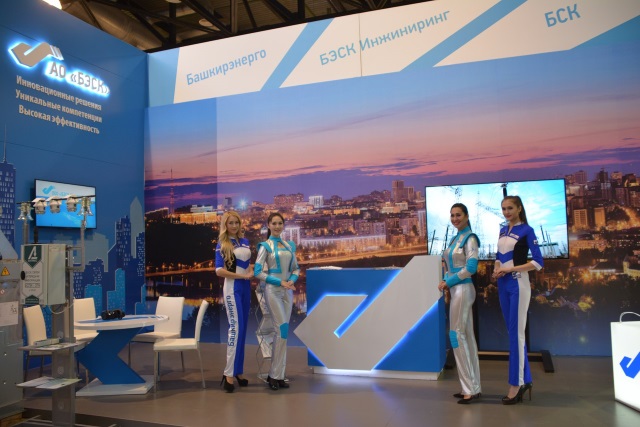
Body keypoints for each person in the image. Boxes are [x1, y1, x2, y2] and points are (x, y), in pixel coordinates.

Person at [491, 196, 543, 405]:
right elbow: (498, 256)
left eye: (510, 208)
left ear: (519, 208)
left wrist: (511, 269)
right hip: (503, 284)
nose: (506, 212)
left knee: (517, 336)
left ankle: (516, 384)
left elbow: (538, 262)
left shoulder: (527, 230)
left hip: (518, 285)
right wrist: (496, 269)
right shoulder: (503, 230)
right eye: (503, 208)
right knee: (513, 334)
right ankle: (526, 380)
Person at [437, 203, 482, 404]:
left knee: (456, 335)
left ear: (466, 216)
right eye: (452, 215)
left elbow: (471, 267)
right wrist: (446, 280)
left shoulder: (470, 238)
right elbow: (450, 266)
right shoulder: (456, 238)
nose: (455, 218)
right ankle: (472, 387)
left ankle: (469, 389)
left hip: (463, 289)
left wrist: (449, 282)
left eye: (458, 215)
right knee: (467, 337)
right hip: (456, 290)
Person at [254, 212, 300, 391]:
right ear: (268, 225)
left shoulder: (289, 245)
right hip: (273, 291)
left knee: (284, 333)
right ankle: (274, 375)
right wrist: (279, 282)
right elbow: (258, 272)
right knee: (280, 330)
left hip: (287, 292)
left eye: (280, 223)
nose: (277, 226)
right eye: (274, 223)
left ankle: (279, 375)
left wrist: (291, 280)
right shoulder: (265, 246)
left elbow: (296, 268)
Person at [215, 211, 253, 393]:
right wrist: (241, 276)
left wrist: (252, 271)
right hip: (232, 288)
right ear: (225, 225)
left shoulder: (244, 241)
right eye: (230, 223)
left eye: (236, 222)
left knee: (243, 330)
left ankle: (238, 371)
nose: (234, 226)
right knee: (235, 330)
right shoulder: (222, 244)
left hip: (246, 288)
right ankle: (228, 373)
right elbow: (218, 270)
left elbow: (248, 264)